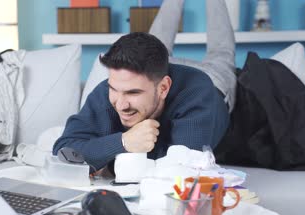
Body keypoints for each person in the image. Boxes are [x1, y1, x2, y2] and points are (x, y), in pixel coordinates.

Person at [53, 0, 236, 172]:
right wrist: (123, 142)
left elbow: (178, 170)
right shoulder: (114, 87)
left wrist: (104, 154)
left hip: (215, 76)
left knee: (221, 51)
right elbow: (63, 150)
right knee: (152, 44)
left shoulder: (198, 94)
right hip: (156, 72)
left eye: (133, 93)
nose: (121, 105)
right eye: (114, 89)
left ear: (164, 88)